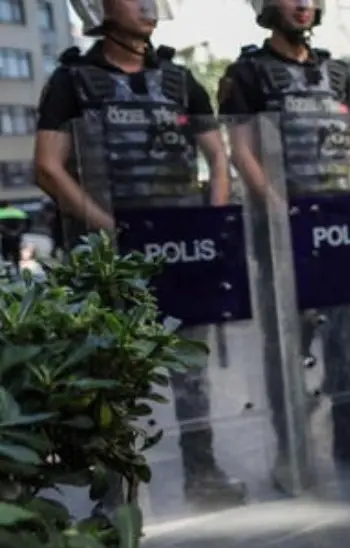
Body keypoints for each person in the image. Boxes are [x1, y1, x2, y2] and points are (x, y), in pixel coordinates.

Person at [32, 0, 245, 506]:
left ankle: (202, 472)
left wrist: (209, 222)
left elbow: (217, 157)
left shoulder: (178, 79)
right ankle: (115, 499)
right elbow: (46, 167)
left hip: (182, 248)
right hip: (109, 258)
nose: (149, 6)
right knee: (110, 376)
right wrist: (112, 230)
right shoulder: (72, 80)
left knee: (190, 373)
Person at [218, 0, 350, 483]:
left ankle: (349, 431)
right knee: (289, 342)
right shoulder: (248, 73)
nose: (303, 5)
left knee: (344, 336)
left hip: (342, 227)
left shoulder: (338, 73)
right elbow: (241, 151)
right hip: (286, 234)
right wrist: (283, 212)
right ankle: (290, 448)